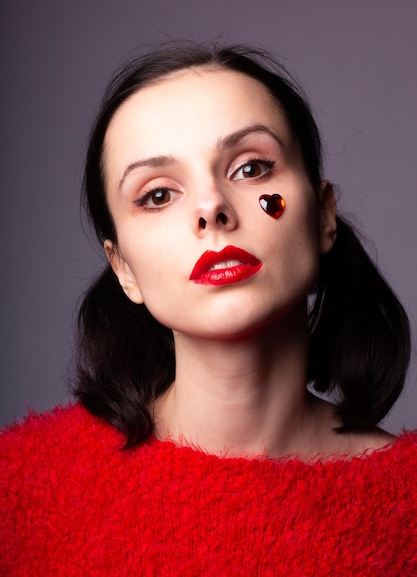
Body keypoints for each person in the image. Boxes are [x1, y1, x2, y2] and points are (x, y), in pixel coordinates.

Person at [1, 41, 416, 575]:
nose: (211, 207)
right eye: (157, 195)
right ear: (123, 267)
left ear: (323, 218)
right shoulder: (23, 489)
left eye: (250, 169)